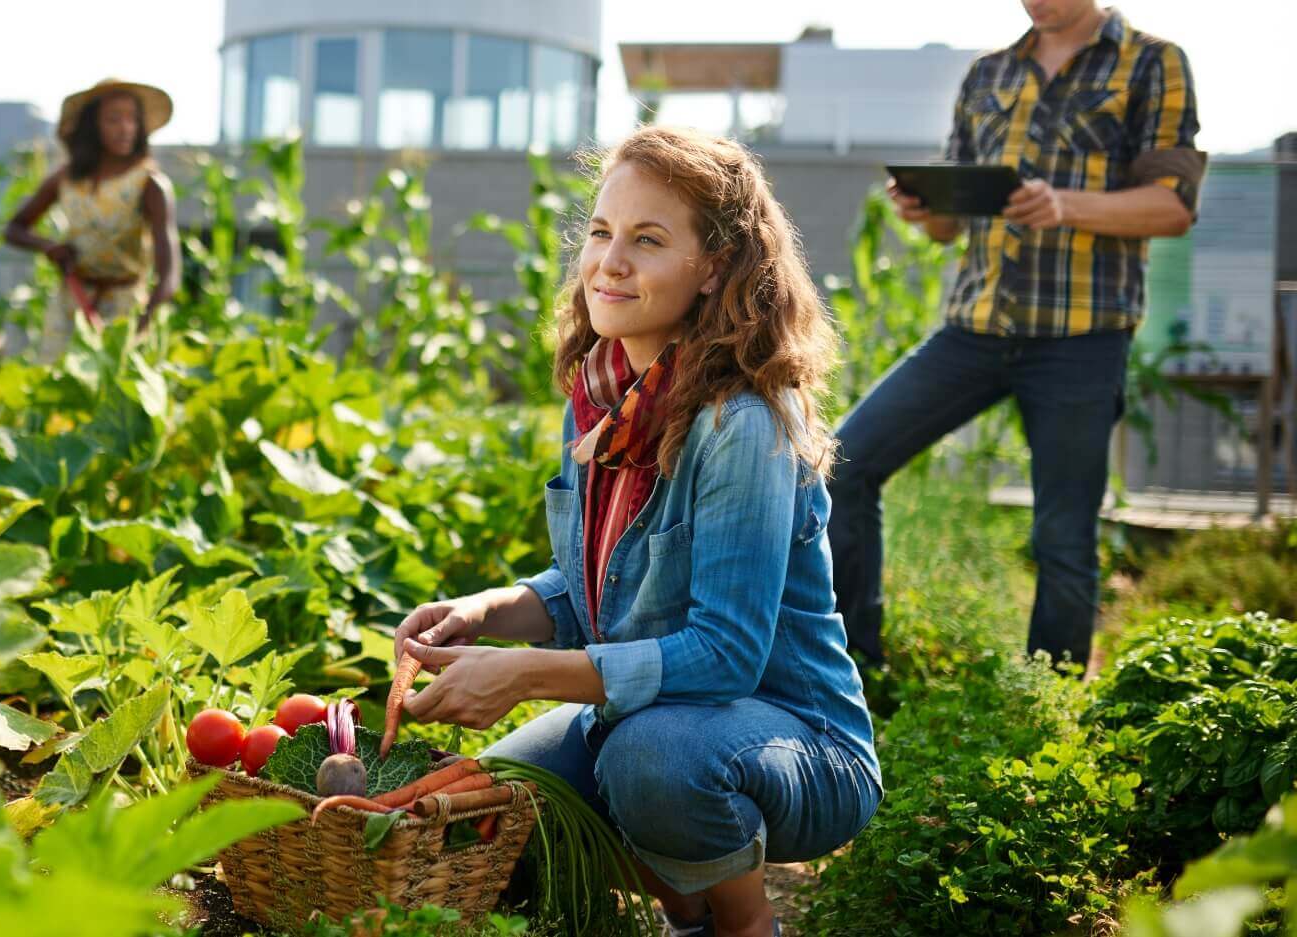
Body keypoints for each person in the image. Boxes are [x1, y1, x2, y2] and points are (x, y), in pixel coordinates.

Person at [392, 126, 881, 937]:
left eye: (647, 240)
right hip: (649, 716)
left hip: (795, 738)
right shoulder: (602, 400)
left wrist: (521, 678)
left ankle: (738, 919)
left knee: (649, 761)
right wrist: (487, 612)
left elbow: (725, 655)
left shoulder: (744, 423)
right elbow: (597, 586)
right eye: (600, 232)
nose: (609, 262)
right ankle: (681, 891)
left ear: (714, 266)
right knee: (506, 806)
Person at [827, 0, 1204, 670]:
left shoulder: (1153, 62)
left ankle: (1050, 702)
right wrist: (923, 208)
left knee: (1062, 537)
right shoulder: (988, 75)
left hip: (1080, 339)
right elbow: (949, 228)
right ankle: (857, 670)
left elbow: (1173, 206)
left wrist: (1065, 206)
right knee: (841, 464)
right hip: (975, 329)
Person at [4, 78, 180, 359]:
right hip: (71, 302)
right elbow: (14, 229)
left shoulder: (149, 185)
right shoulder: (66, 180)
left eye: (132, 120)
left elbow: (169, 276)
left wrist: (141, 324)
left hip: (125, 309)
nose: (125, 128)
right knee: (57, 387)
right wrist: (49, 248)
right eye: (113, 120)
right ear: (92, 126)